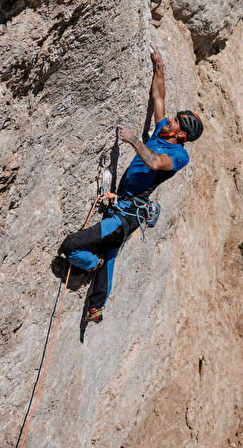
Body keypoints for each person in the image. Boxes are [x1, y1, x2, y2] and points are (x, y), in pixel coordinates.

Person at [59, 45, 203, 323]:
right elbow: (158, 96)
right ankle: (95, 307)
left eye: (175, 120)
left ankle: (91, 265)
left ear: (181, 133)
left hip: (125, 214)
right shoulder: (164, 132)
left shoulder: (179, 155)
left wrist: (133, 139)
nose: (169, 119)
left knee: (72, 246)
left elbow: (155, 164)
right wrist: (159, 65)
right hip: (124, 207)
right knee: (110, 254)